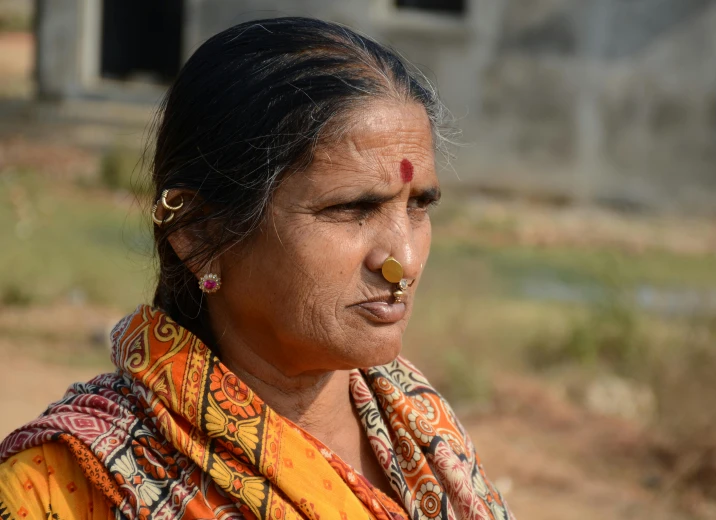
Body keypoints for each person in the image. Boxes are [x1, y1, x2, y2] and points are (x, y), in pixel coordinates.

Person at [0, 17, 512, 519]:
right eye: (350, 209)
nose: (404, 260)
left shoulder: (419, 422)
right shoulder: (59, 490)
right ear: (199, 233)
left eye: (419, 206)